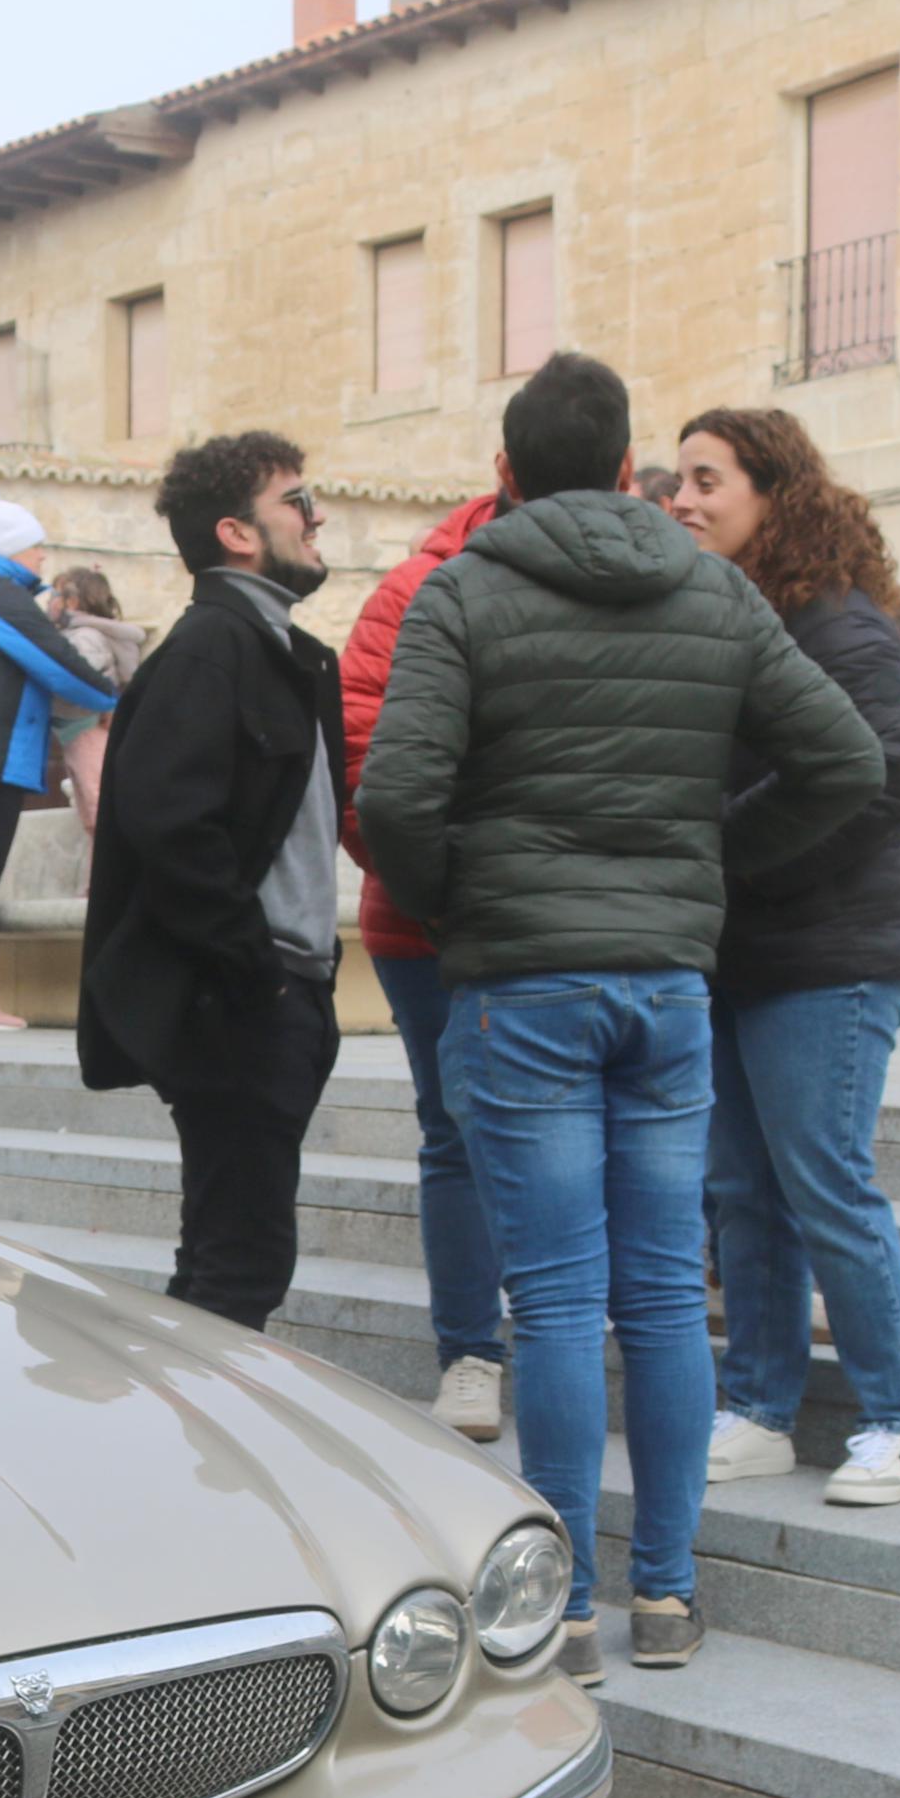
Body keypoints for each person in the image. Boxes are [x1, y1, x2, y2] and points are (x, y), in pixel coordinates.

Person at [356, 353, 884, 1681]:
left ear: (505, 468)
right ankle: (663, 1594)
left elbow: (394, 804)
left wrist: (469, 908)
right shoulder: (707, 588)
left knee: (551, 1300)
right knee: (657, 1295)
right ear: (617, 466)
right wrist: (709, 862)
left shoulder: (460, 594)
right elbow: (846, 762)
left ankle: (568, 1613)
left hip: (520, 987)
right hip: (662, 986)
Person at [667, 408, 900, 1508]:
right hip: (744, 952)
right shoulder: (736, 616)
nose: (681, 499)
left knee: (825, 1184)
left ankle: (895, 1422)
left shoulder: (836, 626)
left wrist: (734, 853)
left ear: (771, 494)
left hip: (831, 955)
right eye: (676, 480)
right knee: (741, 1189)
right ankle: (759, 1409)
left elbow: (898, 773)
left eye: (705, 479)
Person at [76, 431, 345, 1333]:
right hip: (243, 1006)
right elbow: (168, 827)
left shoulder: (289, 657)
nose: (316, 518)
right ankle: (200, 1465)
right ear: (236, 532)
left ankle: (183, 1458)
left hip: (282, 997)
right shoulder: (208, 654)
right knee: (239, 1267)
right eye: (296, 503)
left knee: (224, 1256)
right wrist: (254, 973)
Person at [336, 489, 512, 1443]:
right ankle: (471, 1353)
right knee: (453, 1133)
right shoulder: (413, 592)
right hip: (425, 925)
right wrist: (442, 894)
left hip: (550, 923)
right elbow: (362, 767)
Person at [0, 491, 118, 1031]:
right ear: (13, 551)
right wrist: (115, 699)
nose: (42, 559)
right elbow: (59, 663)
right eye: (36, 549)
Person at [43, 565, 150, 834]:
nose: (48, 601)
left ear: (73, 602)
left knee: (97, 807)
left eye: (55, 594)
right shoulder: (80, 636)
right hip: (80, 731)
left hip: (87, 729)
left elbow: (81, 680)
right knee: (91, 809)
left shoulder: (84, 638)